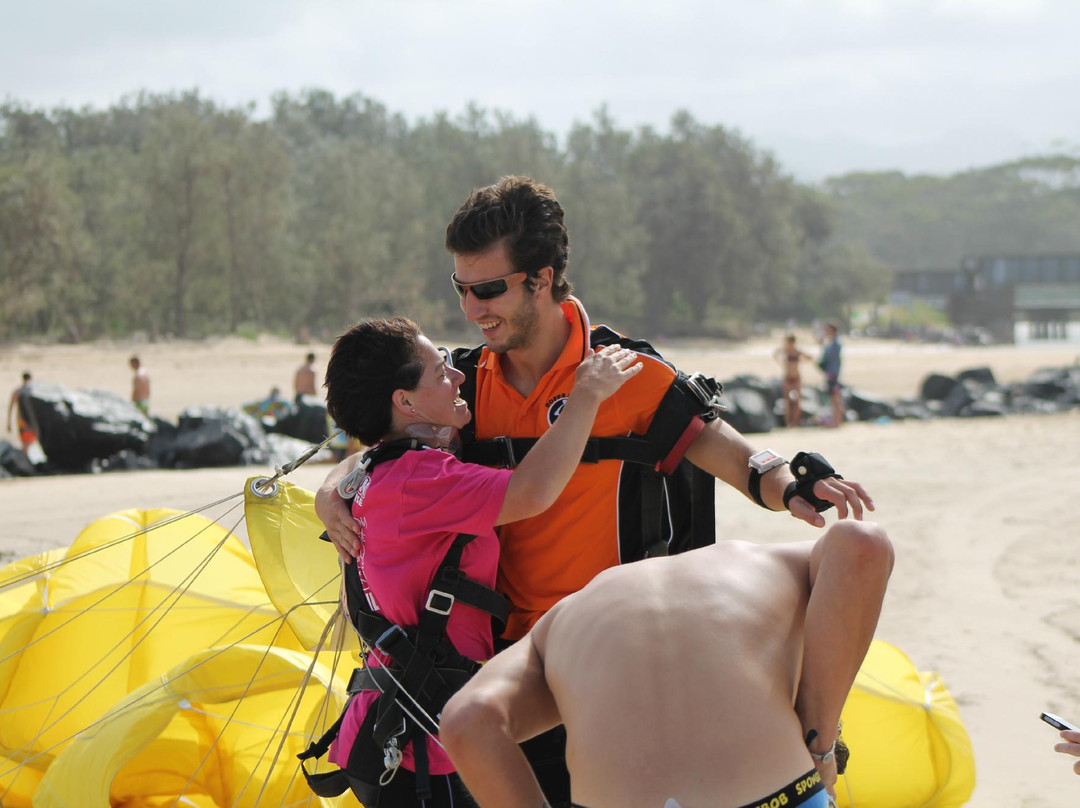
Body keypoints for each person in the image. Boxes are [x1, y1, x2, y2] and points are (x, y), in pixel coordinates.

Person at [316, 176, 875, 806]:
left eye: (489, 289)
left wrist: (792, 482)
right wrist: (332, 488)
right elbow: (388, 457)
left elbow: (737, 456)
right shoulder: (462, 388)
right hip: (510, 682)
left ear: (543, 278)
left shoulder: (625, 375)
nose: (471, 310)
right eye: (461, 290)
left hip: (614, 670)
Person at [306, 316, 641, 807]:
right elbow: (532, 491)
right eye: (442, 372)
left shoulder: (383, 470)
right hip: (422, 744)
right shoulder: (423, 478)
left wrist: (326, 491)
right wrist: (586, 394)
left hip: (386, 722)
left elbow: (358, 460)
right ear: (405, 402)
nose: (459, 375)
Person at [441, 520, 894, 808]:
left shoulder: (561, 619)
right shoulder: (761, 561)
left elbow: (466, 722)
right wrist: (819, 743)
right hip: (770, 794)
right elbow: (862, 544)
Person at [774, 334, 813, 427]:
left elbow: (810, 357)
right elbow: (775, 354)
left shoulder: (797, 351)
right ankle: (788, 422)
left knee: (797, 401)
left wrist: (801, 361)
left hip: (796, 377)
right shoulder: (785, 351)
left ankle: (796, 421)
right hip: (787, 377)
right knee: (787, 401)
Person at [818, 322, 844, 428]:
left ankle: (837, 420)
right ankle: (836, 419)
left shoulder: (836, 344)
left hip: (833, 374)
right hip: (831, 373)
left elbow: (829, 359)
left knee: (835, 397)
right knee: (834, 397)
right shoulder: (833, 343)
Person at [6, 372, 38, 451]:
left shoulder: (19, 391)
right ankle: (25, 456)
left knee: (29, 441)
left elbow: (10, 408)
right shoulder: (28, 392)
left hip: (22, 419)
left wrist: (9, 423)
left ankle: (25, 456)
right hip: (25, 420)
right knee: (26, 441)